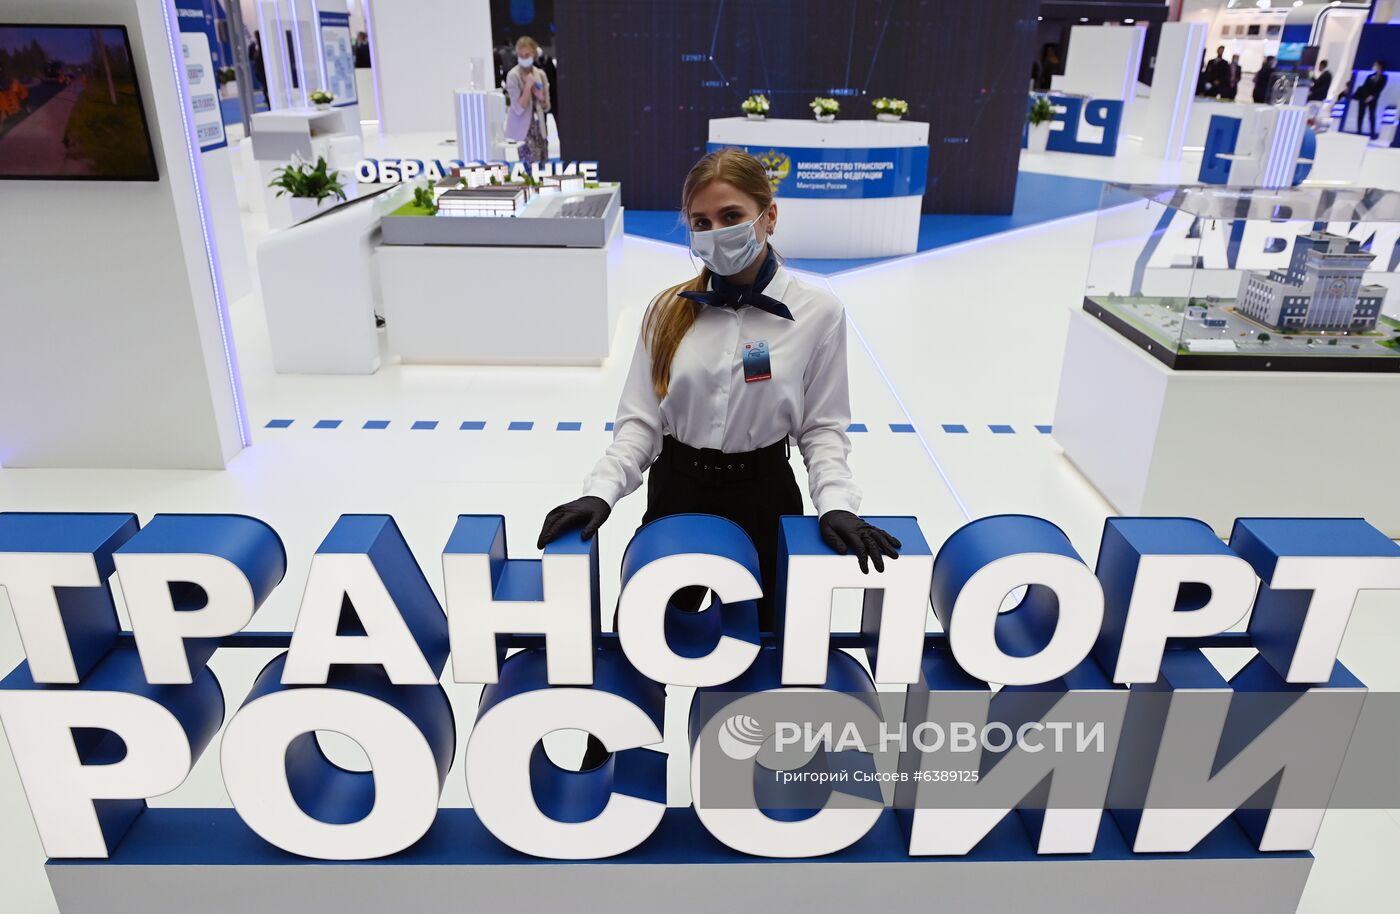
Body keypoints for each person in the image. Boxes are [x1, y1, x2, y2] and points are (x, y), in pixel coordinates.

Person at [536, 148, 902, 631]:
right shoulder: (666, 310)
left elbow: (822, 428)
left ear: (769, 216)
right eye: (701, 222)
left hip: (765, 495)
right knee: (648, 635)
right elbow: (641, 423)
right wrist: (601, 492)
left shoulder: (819, 313)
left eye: (731, 216)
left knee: (767, 642)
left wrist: (835, 504)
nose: (716, 233)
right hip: (678, 493)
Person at [504, 36, 550, 169]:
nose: (524, 58)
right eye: (521, 55)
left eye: (527, 55)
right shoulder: (513, 76)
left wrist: (541, 97)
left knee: (544, 166)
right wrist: (528, 86)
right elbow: (518, 108)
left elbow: (547, 106)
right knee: (530, 168)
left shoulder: (540, 74)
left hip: (539, 128)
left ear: (534, 54)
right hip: (523, 131)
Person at [1353, 60, 1388, 139]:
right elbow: (1365, 86)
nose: (1374, 66)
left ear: (1380, 66)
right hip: (1363, 98)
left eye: (1376, 65)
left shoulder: (1384, 77)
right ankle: (1359, 131)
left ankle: (1372, 133)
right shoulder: (1370, 76)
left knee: (1372, 115)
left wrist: (1372, 96)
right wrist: (1366, 97)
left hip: (1373, 99)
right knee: (1360, 114)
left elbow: (1380, 89)